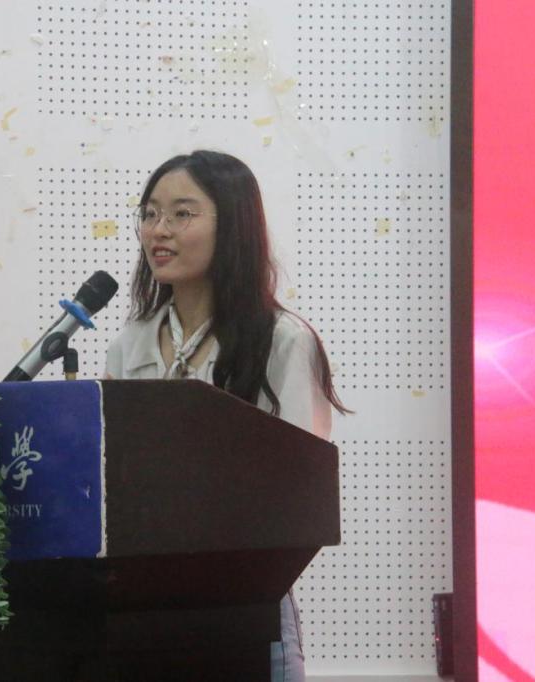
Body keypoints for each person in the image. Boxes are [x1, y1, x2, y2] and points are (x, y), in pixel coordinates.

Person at [103, 150, 350, 682]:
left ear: (233, 225)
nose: (158, 230)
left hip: (245, 609)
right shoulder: (131, 343)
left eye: (182, 214)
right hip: (143, 610)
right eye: (150, 213)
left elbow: (299, 491)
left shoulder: (281, 341)